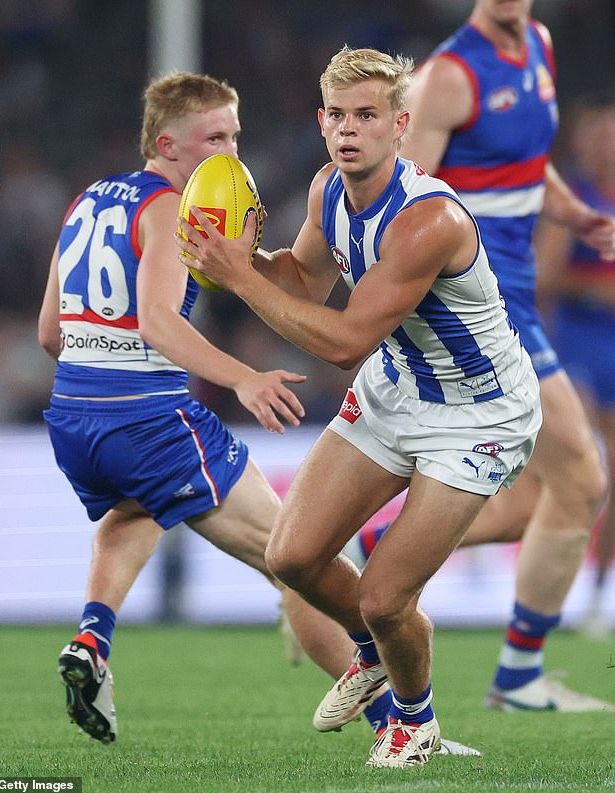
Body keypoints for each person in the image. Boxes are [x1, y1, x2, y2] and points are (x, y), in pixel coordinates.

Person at [177, 45, 542, 768]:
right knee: (292, 555)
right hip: (398, 385)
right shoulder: (325, 192)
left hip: (478, 415)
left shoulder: (427, 220)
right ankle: (379, 651)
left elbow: (342, 340)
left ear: (400, 126)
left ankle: (415, 722)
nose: (350, 130)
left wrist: (241, 283)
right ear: (321, 122)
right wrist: (241, 257)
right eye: (338, 116)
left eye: (367, 115)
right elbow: (304, 282)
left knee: (382, 597)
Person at [37, 70, 372, 745]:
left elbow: (51, 332)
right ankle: (399, 722)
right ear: (166, 145)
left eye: (235, 136)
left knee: (134, 511)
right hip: (148, 419)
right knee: (296, 559)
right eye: (213, 138)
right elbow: (160, 322)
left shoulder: (88, 200)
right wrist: (244, 377)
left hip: (72, 416)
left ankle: (92, 639)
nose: (229, 153)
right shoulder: (167, 208)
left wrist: (104, 369)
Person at [372, 0, 615, 712]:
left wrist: (570, 212)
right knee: (583, 472)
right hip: (482, 301)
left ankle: (377, 547)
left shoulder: (536, 45)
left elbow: (524, 162)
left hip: (517, 297)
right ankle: (516, 674)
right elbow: (398, 201)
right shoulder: (448, 76)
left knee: (545, 497)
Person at [536, 96, 615, 639]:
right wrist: (596, 287)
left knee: (608, 480)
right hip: (579, 346)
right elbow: (544, 276)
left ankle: (597, 596)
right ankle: (551, 594)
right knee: (582, 468)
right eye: (595, 136)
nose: (603, 147)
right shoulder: (574, 201)